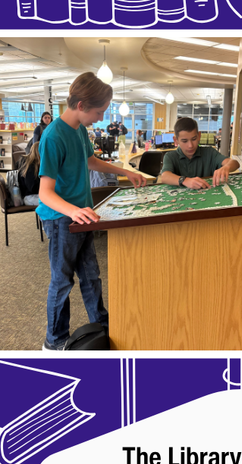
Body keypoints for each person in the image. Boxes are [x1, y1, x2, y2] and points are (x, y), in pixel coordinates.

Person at [36, 72, 146, 351]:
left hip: (81, 216)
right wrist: (73, 212)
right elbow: (45, 193)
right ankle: (54, 340)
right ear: (81, 105)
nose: (101, 118)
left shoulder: (80, 130)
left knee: (91, 275)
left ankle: (102, 324)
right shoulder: (52, 136)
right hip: (62, 219)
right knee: (62, 282)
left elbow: (90, 161)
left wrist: (125, 171)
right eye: (99, 112)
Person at [159, 116, 241, 190]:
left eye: (194, 139)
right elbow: (165, 176)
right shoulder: (170, 156)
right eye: (184, 141)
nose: (190, 145)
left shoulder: (210, 152)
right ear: (176, 140)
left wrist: (226, 167)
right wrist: (185, 180)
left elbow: (235, 163)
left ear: (199, 136)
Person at [17, 142, 41, 206]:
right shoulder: (30, 166)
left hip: (34, 195)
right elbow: (33, 188)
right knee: (54, 203)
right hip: (29, 197)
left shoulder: (32, 163)